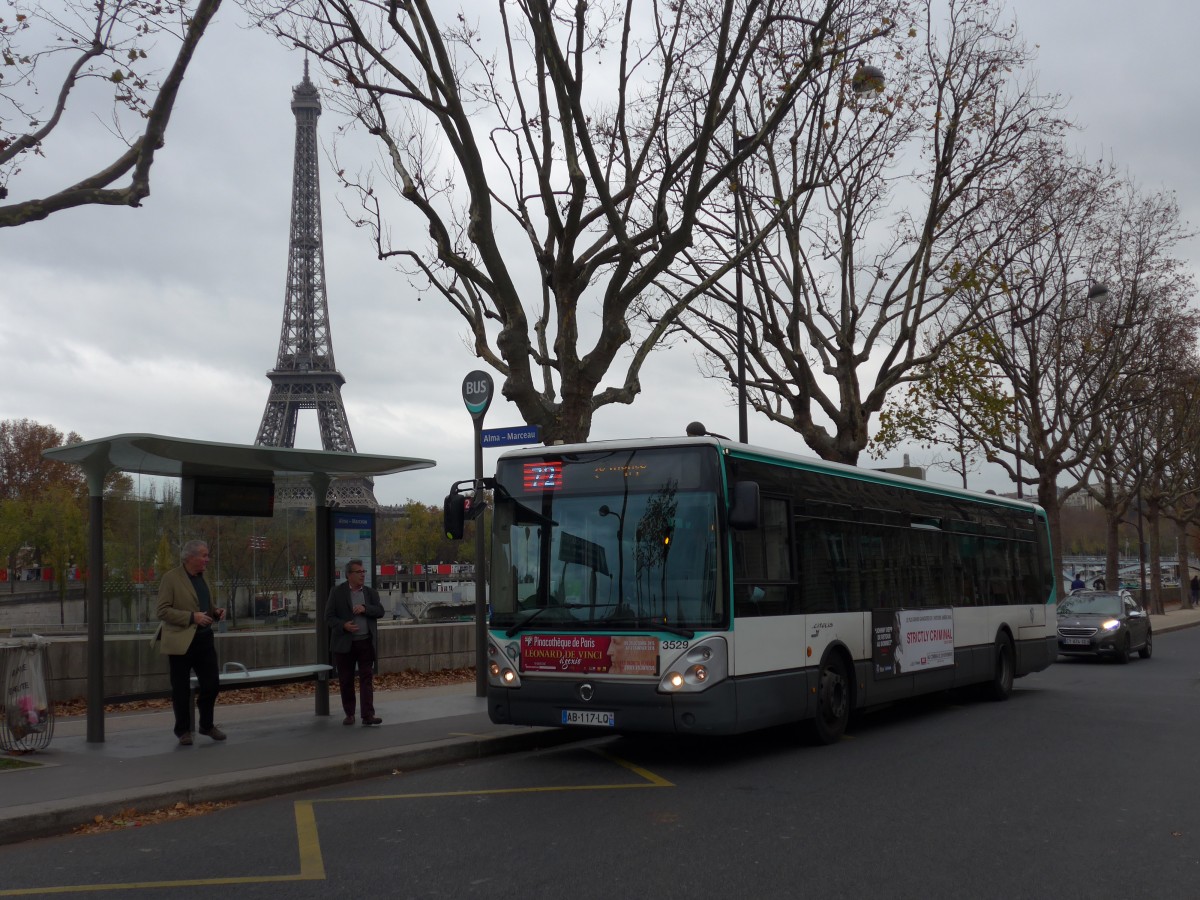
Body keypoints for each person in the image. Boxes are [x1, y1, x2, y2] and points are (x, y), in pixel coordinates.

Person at [155, 539, 226, 746]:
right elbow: (162, 610)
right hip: (180, 642)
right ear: (190, 557)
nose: (207, 559)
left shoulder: (204, 578)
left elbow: (206, 606)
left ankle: (206, 725)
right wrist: (191, 617)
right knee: (181, 689)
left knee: (211, 684)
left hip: (204, 640)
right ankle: (183, 730)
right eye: (204, 555)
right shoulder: (171, 578)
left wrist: (215, 611)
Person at [326, 559, 384, 726]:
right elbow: (328, 617)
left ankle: (368, 715)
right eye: (358, 572)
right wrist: (343, 625)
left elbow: (379, 611)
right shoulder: (337, 592)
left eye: (363, 571)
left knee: (366, 679)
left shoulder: (370, 593)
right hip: (345, 644)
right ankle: (349, 714)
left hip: (365, 643)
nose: (362, 575)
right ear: (349, 575)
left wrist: (365, 609)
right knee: (346, 679)